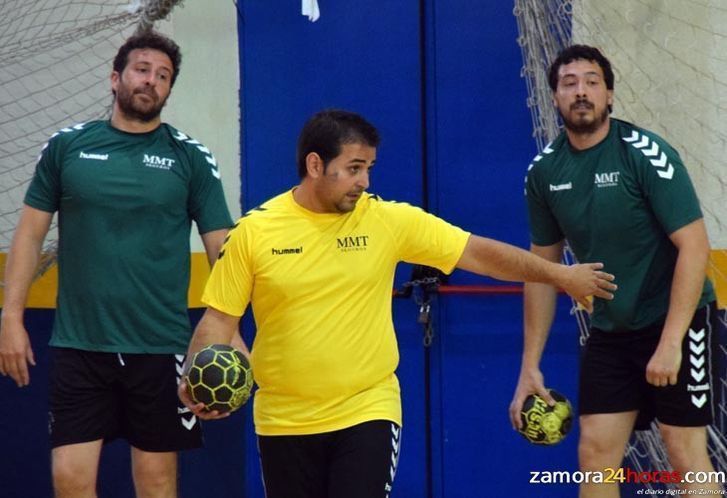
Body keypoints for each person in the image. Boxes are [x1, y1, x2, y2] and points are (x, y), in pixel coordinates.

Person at [178, 109, 616, 498]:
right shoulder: (255, 233)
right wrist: (196, 373)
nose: (365, 181)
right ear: (315, 164)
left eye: (368, 167)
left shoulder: (387, 220)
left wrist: (560, 274)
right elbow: (218, 319)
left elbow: (479, 252)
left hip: (366, 409)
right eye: (353, 168)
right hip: (282, 419)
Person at [0, 31, 234, 497]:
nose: (151, 81)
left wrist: (230, 334)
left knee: (156, 482)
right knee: (69, 480)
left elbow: (223, 251)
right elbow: (29, 235)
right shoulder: (66, 147)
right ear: (115, 77)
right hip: (80, 345)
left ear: (169, 89)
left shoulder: (190, 157)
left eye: (163, 76)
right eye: (142, 69)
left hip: (162, 345)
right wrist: (11, 316)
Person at [509, 45, 722, 497]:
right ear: (554, 97)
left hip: (678, 323)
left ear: (609, 95)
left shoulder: (645, 154)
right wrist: (530, 366)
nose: (581, 91)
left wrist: (670, 344)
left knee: (684, 453)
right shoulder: (543, 173)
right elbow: (541, 270)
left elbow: (694, 246)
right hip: (611, 329)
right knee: (595, 454)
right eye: (569, 83)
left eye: (591, 81)